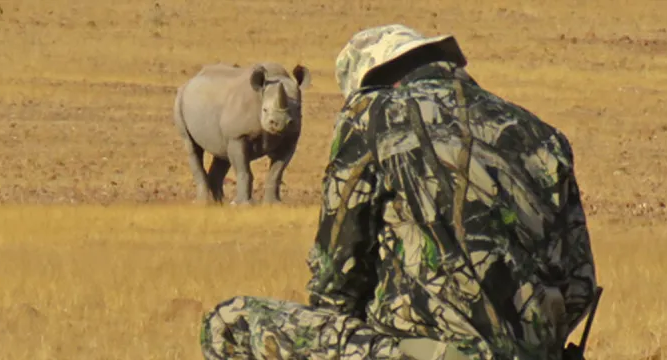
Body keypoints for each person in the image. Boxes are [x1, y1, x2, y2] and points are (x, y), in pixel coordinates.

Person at [198, 24, 599, 360]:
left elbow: (337, 281)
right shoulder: (543, 136)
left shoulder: (372, 116)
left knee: (228, 322)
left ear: (372, 82)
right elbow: (579, 289)